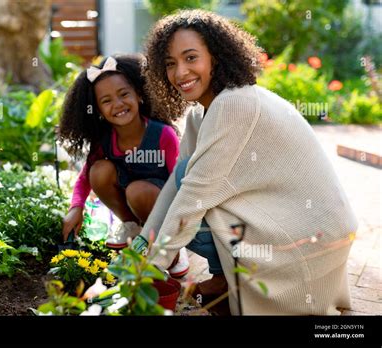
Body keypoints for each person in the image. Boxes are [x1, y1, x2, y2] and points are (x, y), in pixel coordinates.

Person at [131, 10, 358, 315]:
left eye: (191, 58)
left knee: (200, 205)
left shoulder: (234, 104)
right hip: (295, 221)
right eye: (170, 64)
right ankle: (223, 280)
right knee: (190, 184)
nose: (180, 72)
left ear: (217, 57)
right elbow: (177, 180)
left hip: (312, 237)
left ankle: (226, 283)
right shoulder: (202, 111)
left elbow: (193, 196)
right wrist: (142, 248)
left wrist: (146, 272)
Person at [58, 54, 189, 277]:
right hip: (131, 199)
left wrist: (175, 228)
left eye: (124, 94)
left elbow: (178, 183)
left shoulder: (162, 135)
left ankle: (168, 245)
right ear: (98, 110)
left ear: (139, 94)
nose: (117, 104)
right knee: (98, 171)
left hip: (161, 203)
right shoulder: (105, 139)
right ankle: (131, 225)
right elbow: (85, 177)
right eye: (106, 101)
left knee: (138, 190)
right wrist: (76, 208)